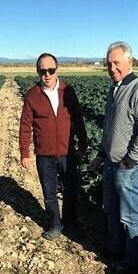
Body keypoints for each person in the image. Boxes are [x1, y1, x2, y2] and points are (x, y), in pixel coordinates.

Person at [89, 42, 138, 274]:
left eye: (116, 63)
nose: (112, 68)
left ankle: (133, 262)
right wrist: (100, 154)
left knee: (129, 213)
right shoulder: (114, 89)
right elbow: (109, 129)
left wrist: (129, 160)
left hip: (127, 165)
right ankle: (116, 250)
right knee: (112, 208)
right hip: (110, 162)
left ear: (129, 62)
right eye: (109, 64)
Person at [19, 53, 88, 239]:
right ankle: (55, 224)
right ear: (38, 72)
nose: (47, 75)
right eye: (42, 71)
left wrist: (83, 143)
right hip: (44, 154)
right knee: (49, 193)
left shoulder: (67, 90)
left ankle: (70, 222)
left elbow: (78, 118)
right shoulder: (33, 94)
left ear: (57, 70)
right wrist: (24, 152)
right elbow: (26, 125)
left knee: (71, 189)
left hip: (67, 152)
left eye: (51, 70)